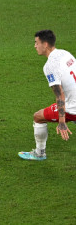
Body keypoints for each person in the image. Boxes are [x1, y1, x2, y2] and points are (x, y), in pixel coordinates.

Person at [19, 30, 76, 160]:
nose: (35, 46)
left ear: (45, 44)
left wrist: (62, 121)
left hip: (73, 107)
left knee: (38, 117)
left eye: (36, 43)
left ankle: (39, 153)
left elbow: (60, 95)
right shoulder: (65, 53)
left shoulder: (50, 66)